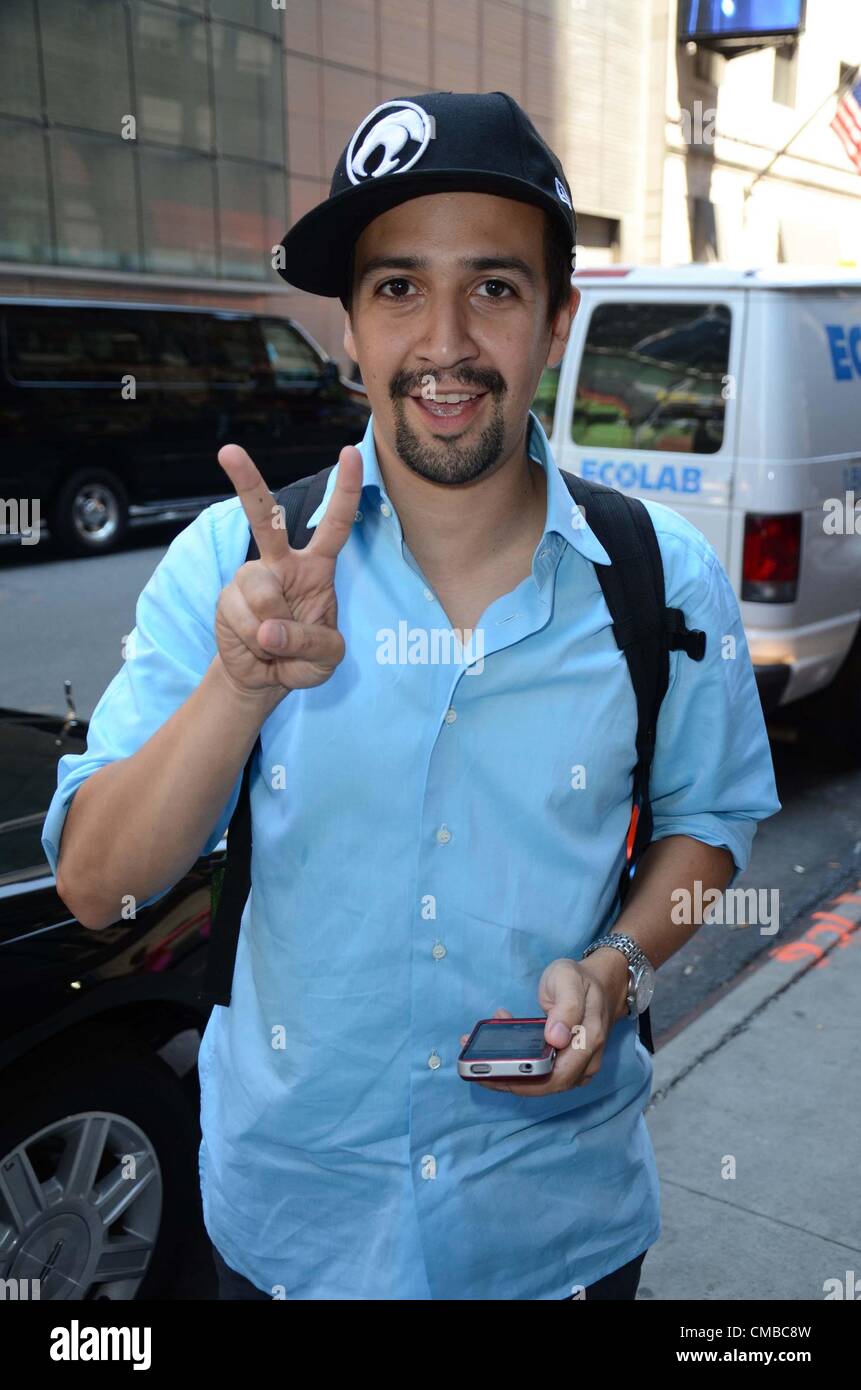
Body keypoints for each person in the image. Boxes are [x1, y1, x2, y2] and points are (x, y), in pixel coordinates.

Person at [43, 90, 781, 1301]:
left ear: (557, 320)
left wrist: (619, 971)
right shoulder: (231, 566)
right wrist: (238, 690)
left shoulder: (662, 577)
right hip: (288, 1233)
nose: (443, 341)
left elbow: (711, 822)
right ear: (349, 330)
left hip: (557, 1234)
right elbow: (96, 883)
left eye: (493, 286)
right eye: (397, 288)